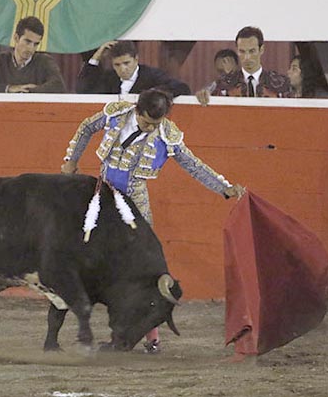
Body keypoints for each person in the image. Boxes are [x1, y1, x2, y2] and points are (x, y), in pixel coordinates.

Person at [61, 88, 245, 354]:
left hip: (135, 201)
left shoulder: (166, 134)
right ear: (137, 110)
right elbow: (86, 127)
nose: (150, 128)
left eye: (155, 124)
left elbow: (192, 164)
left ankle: (152, 337)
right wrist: (71, 161)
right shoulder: (117, 114)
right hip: (103, 195)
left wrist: (223, 187)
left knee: (142, 267)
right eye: (147, 122)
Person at [0, 16, 66, 93]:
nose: (31, 48)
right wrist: (9, 88)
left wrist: (28, 91)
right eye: (27, 42)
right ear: (16, 38)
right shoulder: (1, 61)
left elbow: (59, 86)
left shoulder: (44, 61)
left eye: (36, 44)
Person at [197, 26, 291, 104]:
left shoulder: (281, 84)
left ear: (261, 50)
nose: (247, 57)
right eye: (242, 51)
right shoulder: (222, 85)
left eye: (252, 51)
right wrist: (203, 96)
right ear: (237, 51)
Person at [76, 40, 191, 97]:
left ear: (136, 59)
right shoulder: (110, 78)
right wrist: (96, 56)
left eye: (126, 63)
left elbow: (182, 88)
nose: (123, 69)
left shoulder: (152, 75)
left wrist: (152, 94)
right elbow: (83, 90)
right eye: (117, 65)